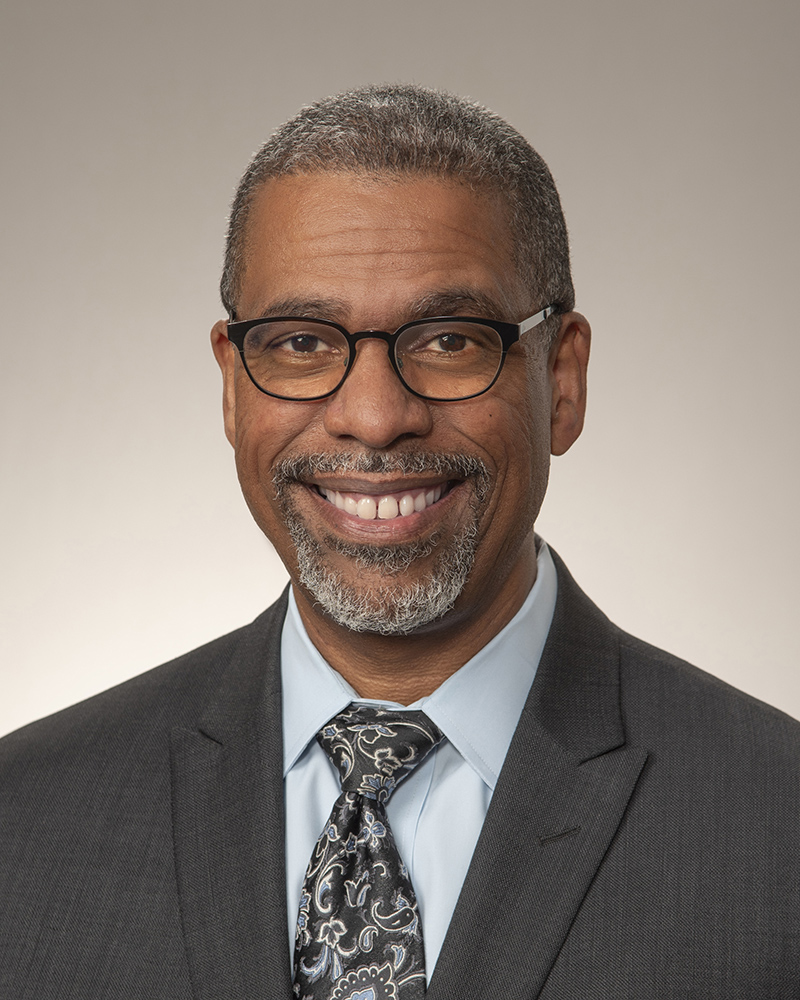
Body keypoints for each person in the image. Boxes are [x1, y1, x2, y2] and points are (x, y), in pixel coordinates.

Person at [1, 84, 798, 1000]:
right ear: (232, 386)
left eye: (450, 339)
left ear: (563, 380)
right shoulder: (23, 822)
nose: (374, 418)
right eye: (302, 341)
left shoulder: (776, 831)